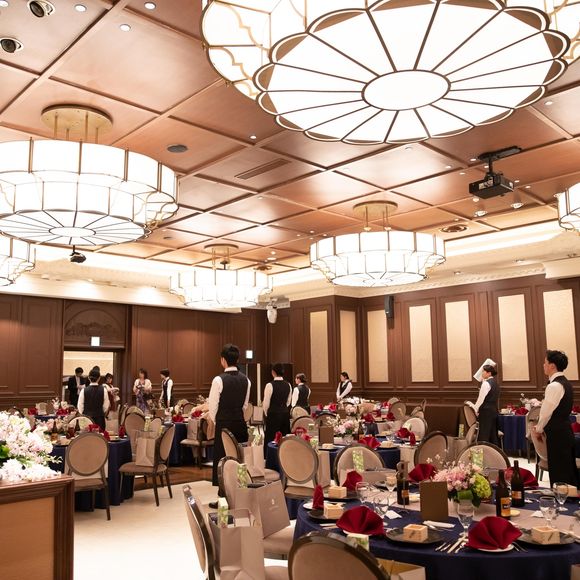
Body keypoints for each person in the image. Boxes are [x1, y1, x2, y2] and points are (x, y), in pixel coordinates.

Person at [534, 350, 578, 487]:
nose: (543, 365)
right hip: (565, 431)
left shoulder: (554, 385)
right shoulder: (565, 383)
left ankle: (562, 498)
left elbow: (546, 413)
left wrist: (538, 429)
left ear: (552, 365)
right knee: (567, 470)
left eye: (545, 362)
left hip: (557, 434)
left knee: (560, 472)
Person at [209, 344, 250, 487]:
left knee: (223, 459)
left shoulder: (218, 380)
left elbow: (213, 407)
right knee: (239, 458)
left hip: (223, 424)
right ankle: (241, 489)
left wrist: (218, 421)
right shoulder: (246, 380)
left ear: (222, 360)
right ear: (237, 359)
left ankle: (223, 492)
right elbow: (245, 405)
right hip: (240, 422)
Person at [470, 363, 500, 445]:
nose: (482, 373)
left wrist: (475, 408)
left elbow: (481, 399)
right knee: (493, 434)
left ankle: (483, 450)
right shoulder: (495, 383)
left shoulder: (486, 383)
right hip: (493, 410)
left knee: (484, 433)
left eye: (483, 371)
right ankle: (494, 451)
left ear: (489, 373)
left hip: (486, 411)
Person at [263, 363, 292, 445]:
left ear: (273, 372)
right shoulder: (288, 385)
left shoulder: (269, 385)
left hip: (273, 414)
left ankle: (270, 453)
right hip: (285, 414)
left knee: (271, 438)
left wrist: (267, 413)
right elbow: (288, 402)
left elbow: (266, 404)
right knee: (284, 438)